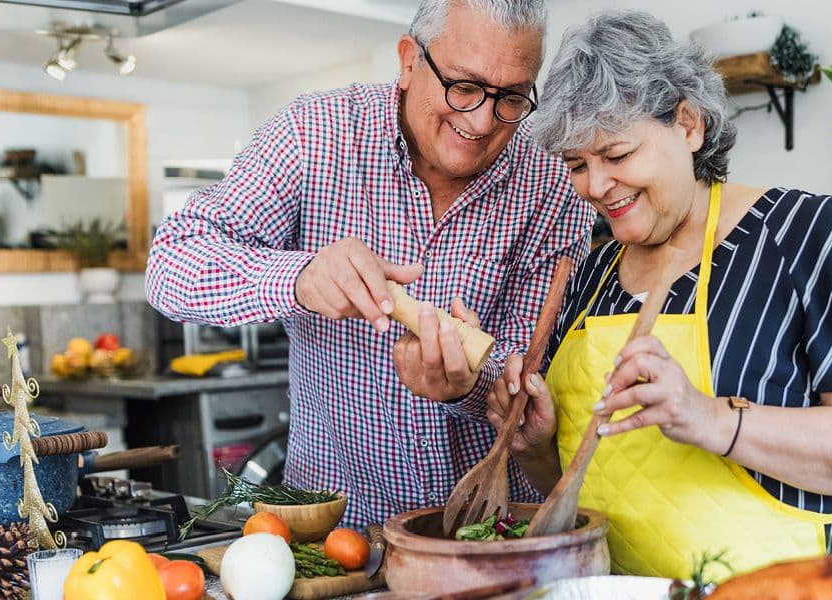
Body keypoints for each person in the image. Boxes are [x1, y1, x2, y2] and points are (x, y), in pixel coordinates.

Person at [487, 10, 832, 579]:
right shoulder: (590, 277)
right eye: (576, 165)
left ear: (688, 125)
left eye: (616, 155)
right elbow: (577, 494)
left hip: (791, 589)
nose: (595, 185)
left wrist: (709, 418)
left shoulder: (805, 235)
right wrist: (539, 446)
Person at [146, 0, 594, 528]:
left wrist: (469, 387)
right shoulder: (313, 135)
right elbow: (170, 263)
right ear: (409, 61)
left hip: (491, 530)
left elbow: (532, 372)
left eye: (512, 96)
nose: (480, 120)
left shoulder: (553, 183)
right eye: (464, 86)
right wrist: (299, 277)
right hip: (335, 535)